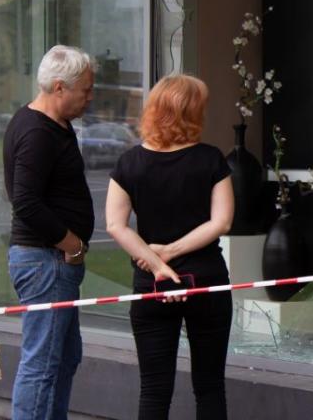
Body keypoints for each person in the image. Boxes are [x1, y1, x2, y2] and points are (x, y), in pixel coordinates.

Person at [105, 74, 234, 419]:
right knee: (210, 386)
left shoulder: (128, 163)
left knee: (154, 388)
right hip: (207, 279)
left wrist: (157, 262)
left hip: (151, 284)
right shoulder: (210, 159)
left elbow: (115, 225)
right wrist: (170, 254)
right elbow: (221, 222)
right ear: (192, 113)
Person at [3, 45, 95, 420]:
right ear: (60, 87)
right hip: (46, 262)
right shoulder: (36, 132)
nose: (90, 97)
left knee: (65, 356)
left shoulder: (55, 125)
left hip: (51, 262)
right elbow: (24, 201)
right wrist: (70, 244)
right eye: (85, 90)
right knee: (42, 364)